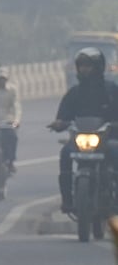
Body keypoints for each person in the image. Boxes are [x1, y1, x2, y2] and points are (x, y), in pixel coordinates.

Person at [47, 47, 118, 213]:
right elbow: (63, 115)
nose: (84, 69)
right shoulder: (74, 92)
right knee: (65, 153)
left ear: (98, 67)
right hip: (81, 141)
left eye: (88, 65)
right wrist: (59, 123)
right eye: (82, 65)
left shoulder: (111, 90)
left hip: (108, 139)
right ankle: (67, 200)